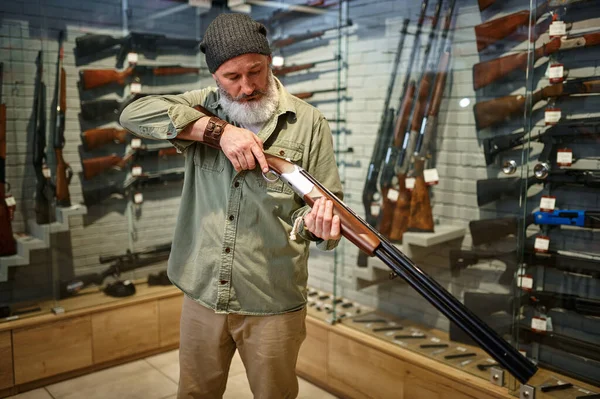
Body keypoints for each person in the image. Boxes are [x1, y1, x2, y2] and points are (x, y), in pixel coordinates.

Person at [119, 12, 343, 399]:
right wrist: (219, 133)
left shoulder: (309, 122)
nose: (247, 87)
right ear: (214, 78)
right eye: (232, 77)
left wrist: (319, 224)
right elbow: (132, 114)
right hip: (202, 291)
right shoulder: (202, 105)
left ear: (269, 61)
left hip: (272, 298)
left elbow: (320, 207)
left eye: (255, 71)